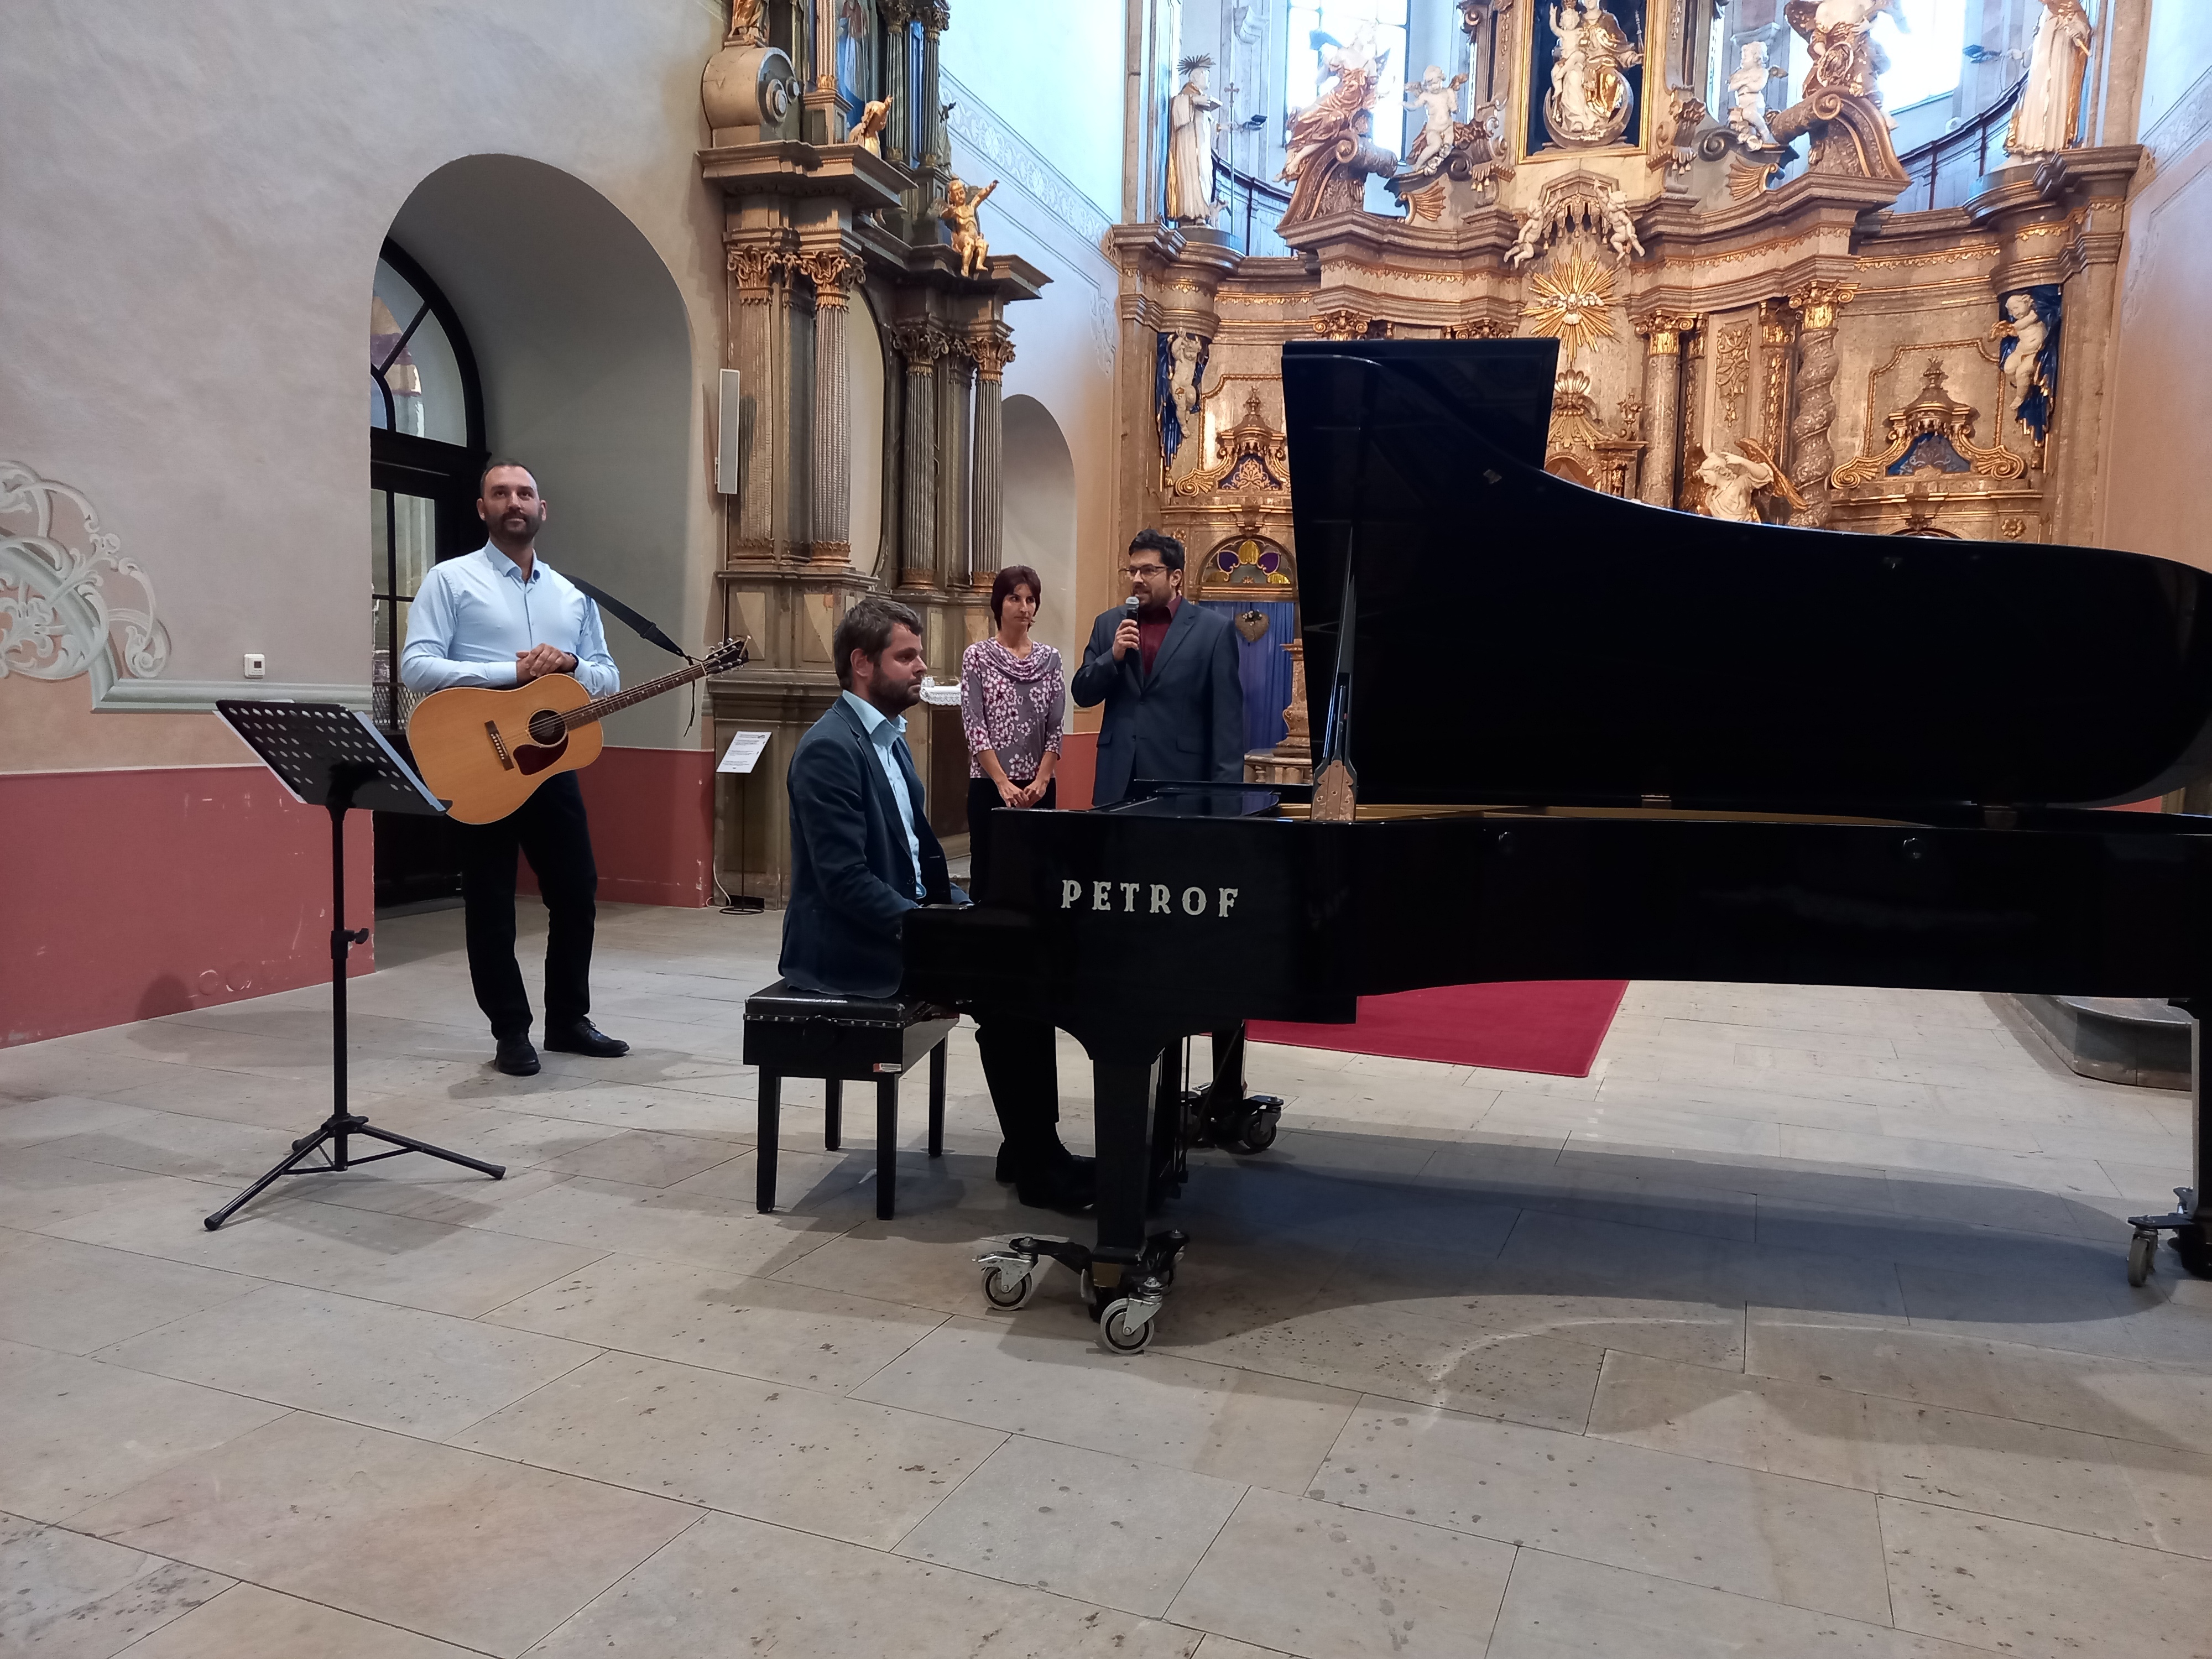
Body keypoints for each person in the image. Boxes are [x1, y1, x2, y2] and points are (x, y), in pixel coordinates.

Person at [781, 597, 1091, 1212]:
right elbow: (844, 883)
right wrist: (936, 930)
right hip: (849, 946)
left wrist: (970, 913)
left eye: (919, 655)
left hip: (903, 927)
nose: (922, 667)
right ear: (862, 664)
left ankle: (1031, 1149)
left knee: (1026, 966)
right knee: (1007, 988)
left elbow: (923, 862)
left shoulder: (890, 742)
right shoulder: (829, 749)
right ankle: (1038, 1165)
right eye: (907, 657)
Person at [400, 459, 629, 1077]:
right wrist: (511, 672)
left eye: (525, 493)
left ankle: (569, 1021)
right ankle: (510, 1032)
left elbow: (608, 677)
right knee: (491, 905)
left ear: (541, 509)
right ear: (483, 510)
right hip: (479, 763)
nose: (514, 502)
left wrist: (571, 666)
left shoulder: (574, 594)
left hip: (549, 762)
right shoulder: (451, 580)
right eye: (500, 493)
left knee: (576, 894)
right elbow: (416, 666)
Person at [1071, 528, 1245, 806]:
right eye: (1132, 571)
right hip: (1117, 785)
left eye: (1148, 571)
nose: (1137, 579)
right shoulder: (1109, 624)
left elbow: (1227, 729)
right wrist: (1112, 657)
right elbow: (1082, 693)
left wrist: (1225, 812)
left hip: (1182, 788)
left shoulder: (1213, 631)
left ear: (1175, 577)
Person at [959, 564, 1063, 900]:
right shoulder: (977, 657)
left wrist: (1042, 781)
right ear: (999, 603)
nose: (1024, 607)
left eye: (1031, 600)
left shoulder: (1051, 659)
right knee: (990, 875)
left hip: (1037, 788)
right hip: (990, 784)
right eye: (1014, 598)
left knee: (1037, 877)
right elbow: (975, 725)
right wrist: (1002, 782)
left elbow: (1056, 726)